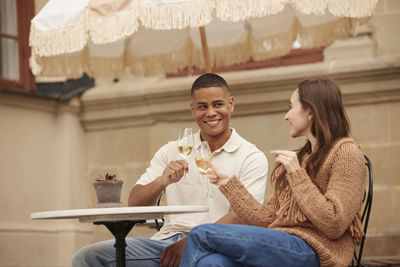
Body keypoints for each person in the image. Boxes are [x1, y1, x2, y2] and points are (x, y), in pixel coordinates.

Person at [71, 73, 268, 267]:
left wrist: (194, 240)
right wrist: (161, 182)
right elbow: (135, 205)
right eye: (202, 106)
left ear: (231, 104)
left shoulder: (251, 157)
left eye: (218, 104)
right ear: (192, 109)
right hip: (164, 243)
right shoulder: (172, 150)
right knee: (87, 257)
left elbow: (242, 216)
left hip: (216, 245)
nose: (210, 113)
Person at [180, 78, 366, 267]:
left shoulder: (346, 153)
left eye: (291, 107)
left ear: (310, 112)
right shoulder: (301, 158)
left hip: (315, 250)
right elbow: (268, 220)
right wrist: (229, 184)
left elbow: (334, 223)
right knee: (212, 262)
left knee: (200, 234)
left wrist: (296, 173)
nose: (286, 116)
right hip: (281, 243)